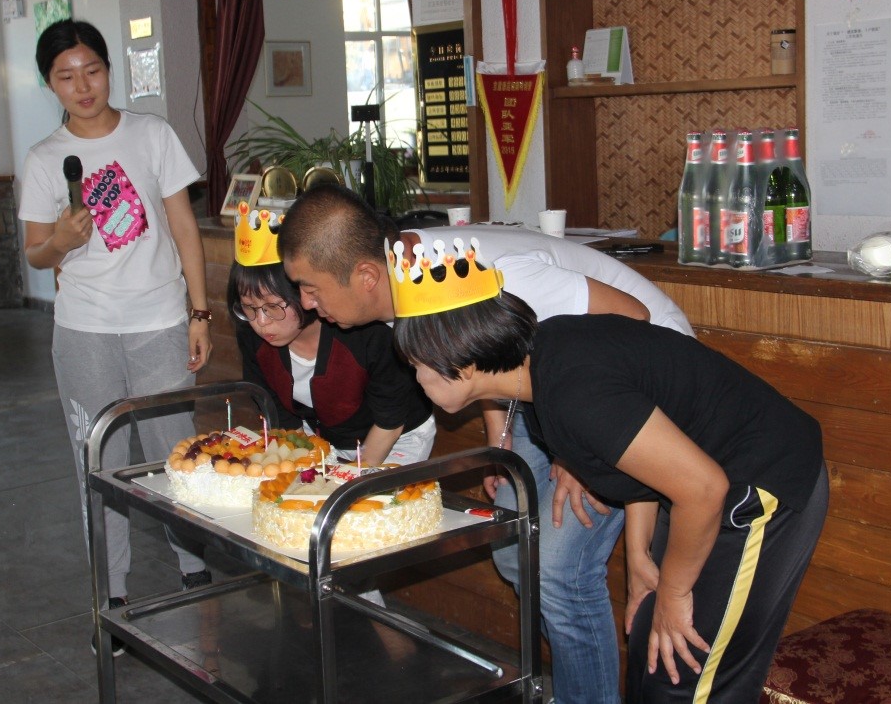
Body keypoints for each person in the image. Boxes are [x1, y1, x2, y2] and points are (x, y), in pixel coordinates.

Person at [278, 184, 691, 703]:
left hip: (638, 387)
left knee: (560, 573)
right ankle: (575, 678)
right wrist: (501, 434)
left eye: (309, 287)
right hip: (553, 393)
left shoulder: (495, 277)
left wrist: (577, 450)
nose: (305, 303)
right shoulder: (401, 273)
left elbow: (635, 321)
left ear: (364, 277)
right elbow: (493, 353)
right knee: (514, 550)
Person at [388, 248, 828, 703]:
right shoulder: (541, 370)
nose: (414, 378)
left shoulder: (574, 392)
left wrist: (675, 593)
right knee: (652, 657)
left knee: (683, 676)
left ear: (462, 365)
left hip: (759, 484)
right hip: (707, 486)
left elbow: (703, 489)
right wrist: (639, 559)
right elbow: (643, 462)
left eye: (417, 365)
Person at [17, 19, 213, 629]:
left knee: (173, 451)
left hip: (159, 321)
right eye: (66, 77)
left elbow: (184, 228)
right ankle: (114, 587)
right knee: (99, 459)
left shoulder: (152, 134)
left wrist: (199, 312)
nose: (83, 87)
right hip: (86, 329)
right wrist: (61, 240)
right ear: (49, 84)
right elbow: (35, 254)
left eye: (93, 71)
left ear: (109, 70)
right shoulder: (44, 159)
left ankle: (194, 560)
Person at [227, 203, 435, 466]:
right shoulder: (252, 334)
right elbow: (276, 410)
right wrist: (305, 464)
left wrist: (348, 480)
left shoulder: (364, 330)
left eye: (273, 307)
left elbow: (390, 421)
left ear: (303, 290)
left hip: (394, 437)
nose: (261, 322)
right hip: (323, 439)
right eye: (249, 307)